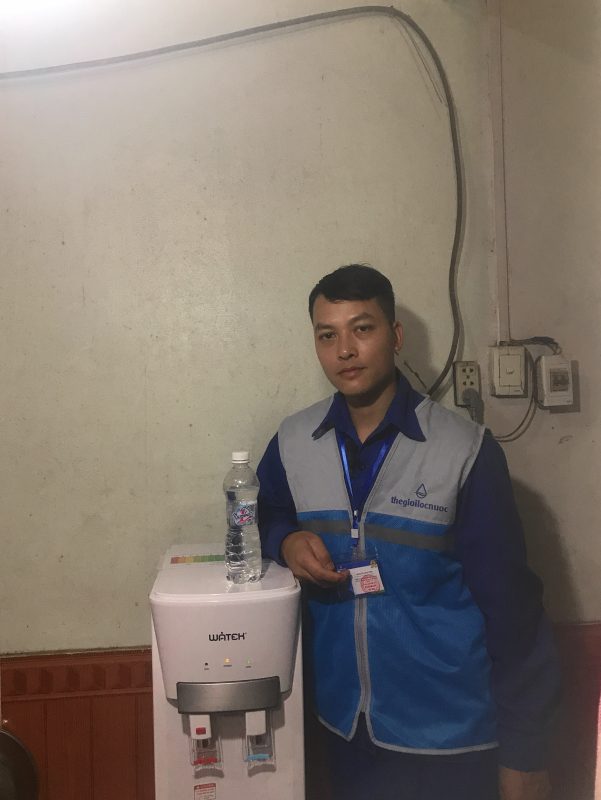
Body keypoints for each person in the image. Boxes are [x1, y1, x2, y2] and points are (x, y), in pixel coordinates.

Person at [257, 264, 560, 800]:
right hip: (346, 730)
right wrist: (285, 539)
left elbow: (514, 612)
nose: (345, 350)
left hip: (450, 740)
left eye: (362, 328)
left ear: (395, 336)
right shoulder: (293, 441)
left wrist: (525, 753)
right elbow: (264, 513)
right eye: (327, 335)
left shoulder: (465, 451)